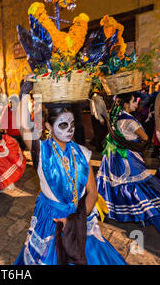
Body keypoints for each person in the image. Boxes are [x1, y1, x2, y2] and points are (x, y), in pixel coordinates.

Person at [14, 102, 126, 265]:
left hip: (80, 217)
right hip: (51, 220)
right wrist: (23, 97)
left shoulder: (83, 153)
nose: (69, 129)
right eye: (63, 124)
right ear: (48, 126)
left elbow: (92, 194)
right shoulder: (41, 151)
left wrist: (74, 221)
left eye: (72, 124)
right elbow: (23, 127)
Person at [96, 92, 160, 233]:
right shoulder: (130, 120)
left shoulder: (114, 114)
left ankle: (119, 211)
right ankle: (152, 213)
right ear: (126, 103)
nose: (137, 104)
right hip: (127, 157)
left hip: (112, 155)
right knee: (139, 184)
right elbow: (145, 137)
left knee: (114, 182)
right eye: (134, 101)